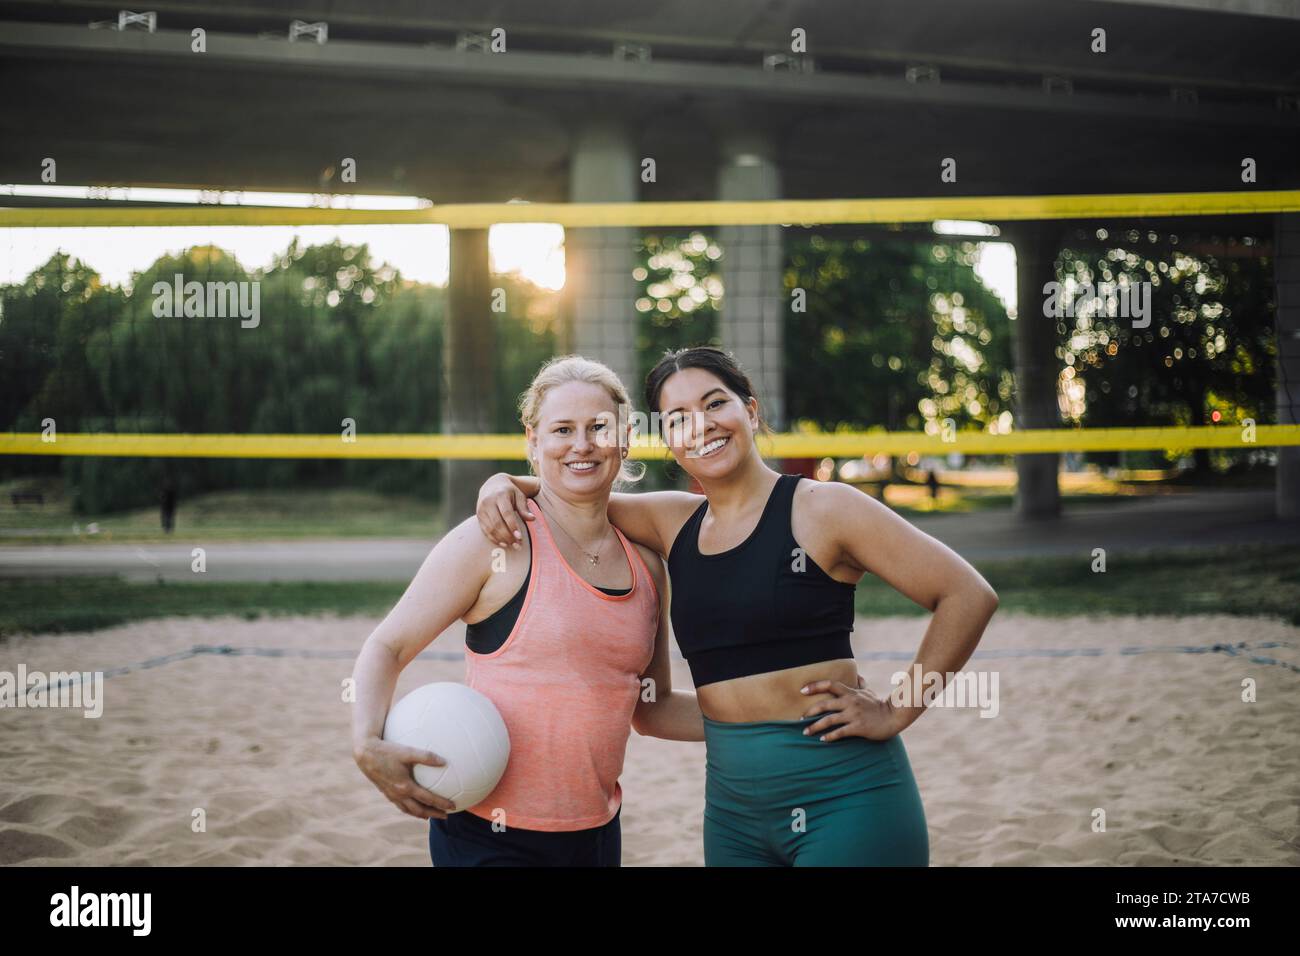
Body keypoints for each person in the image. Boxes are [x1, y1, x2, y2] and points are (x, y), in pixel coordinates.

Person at [477, 345, 999, 866]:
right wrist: (501, 482)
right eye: (678, 418)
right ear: (668, 442)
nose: (700, 426)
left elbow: (967, 595)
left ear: (750, 410)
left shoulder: (825, 508)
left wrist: (894, 711)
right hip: (733, 817)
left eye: (715, 404)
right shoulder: (670, 522)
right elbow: (575, 490)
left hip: (846, 798)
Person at [352, 355, 703, 866]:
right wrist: (365, 743)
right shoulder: (496, 538)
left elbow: (652, 707)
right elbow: (388, 645)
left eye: (598, 428)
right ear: (532, 441)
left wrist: (763, 711)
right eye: (562, 429)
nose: (581, 445)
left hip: (597, 833)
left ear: (624, 440)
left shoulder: (647, 565)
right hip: (489, 836)